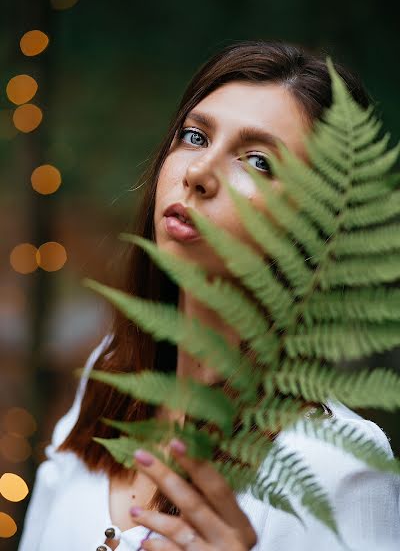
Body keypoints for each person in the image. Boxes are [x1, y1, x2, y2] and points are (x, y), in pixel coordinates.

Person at [18, 41, 400, 551]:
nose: (198, 173)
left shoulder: (337, 468)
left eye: (259, 161)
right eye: (194, 136)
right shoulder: (111, 378)